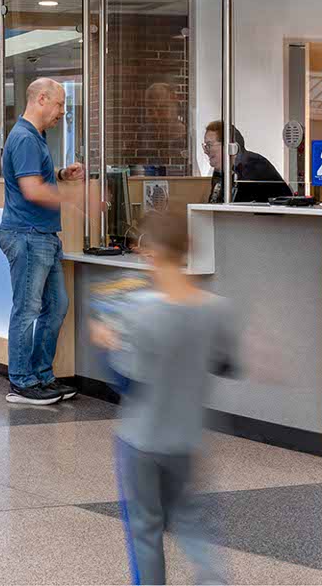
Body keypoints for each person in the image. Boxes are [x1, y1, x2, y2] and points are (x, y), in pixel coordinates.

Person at [89, 205, 240, 584]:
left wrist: (107, 343)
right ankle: (212, 578)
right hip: (186, 437)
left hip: (141, 438)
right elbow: (225, 364)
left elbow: (126, 379)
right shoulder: (217, 310)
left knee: (145, 530)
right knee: (189, 518)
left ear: (151, 254)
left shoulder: (143, 314)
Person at [0, 75, 83, 405]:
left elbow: (33, 178)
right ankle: (21, 381)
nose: (63, 111)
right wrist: (78, 199)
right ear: (41, 100)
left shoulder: (35, 137)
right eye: (60, 104)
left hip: (42, 236)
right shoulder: (25, 138)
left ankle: (42, 375)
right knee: (27, 309)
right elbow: (32, 190)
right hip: (28, 235)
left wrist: (61, 175)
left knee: (56, 305)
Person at [201, 121, 289, 203]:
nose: (205, 151)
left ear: (230, 147)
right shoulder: (221, 171)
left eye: (209, 145)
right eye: (205, 146)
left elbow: (240, 209)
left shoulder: (254, 166)